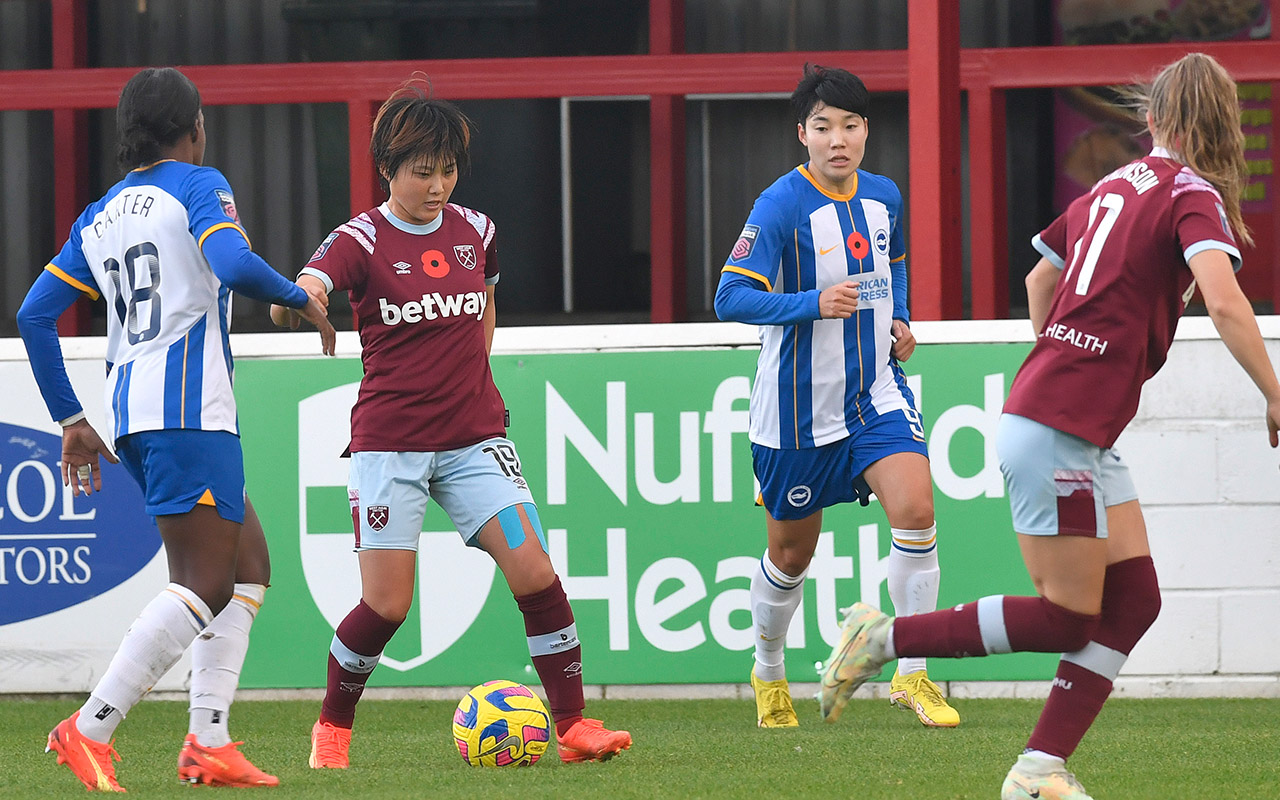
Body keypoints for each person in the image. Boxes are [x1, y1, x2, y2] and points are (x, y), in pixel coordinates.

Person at [818, 53, 1280, 800]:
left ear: (1154, 118)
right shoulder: (1192, 195)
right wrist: (1273, 392)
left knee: (1134, 602)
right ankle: (884, 639)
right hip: (1061, 425)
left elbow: (1040, 276)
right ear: (1226, 124)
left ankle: (1039, 768)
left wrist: (1061, 359)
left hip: (1065, 418)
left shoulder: (1111, 188)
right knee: (1069, 616)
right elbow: (1227, 303)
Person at [272, 80, 632, 769]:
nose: (436, 186)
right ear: (388, 168)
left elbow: (485, 307)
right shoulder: (361, 238)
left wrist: (471, 378)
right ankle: (332, 731)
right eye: (421, 172)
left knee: (536, 571)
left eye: (447, 170)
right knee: (386, 606)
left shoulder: (478, 230)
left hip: (476, 439)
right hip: (390, 445)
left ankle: (575, 726)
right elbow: (312, 282)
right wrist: (301, 300)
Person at [18, 66, 335, 792]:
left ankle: (208, 740)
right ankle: (88, 727)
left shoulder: (95, 217)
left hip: (137, 417)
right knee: (201, 583)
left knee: (247, 569)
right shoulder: (198, 183)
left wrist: (71, 417)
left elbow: (34, 315)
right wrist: (299, 298)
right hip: (189, 414)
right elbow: (230, 261)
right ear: (195, 128)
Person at [713, 63, 959, 729]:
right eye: (824, 126)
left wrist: (900, 322)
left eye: (850, 125)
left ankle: (913, 674)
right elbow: (728, 298)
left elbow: (894, 266)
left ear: (866, 132)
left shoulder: (885, 196)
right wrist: (813, 303)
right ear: (803, 134)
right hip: (794, 412)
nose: (838, 138)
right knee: (792, 555)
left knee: (916, 507)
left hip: (873, 392)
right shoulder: (780, 206)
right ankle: (769, 672)